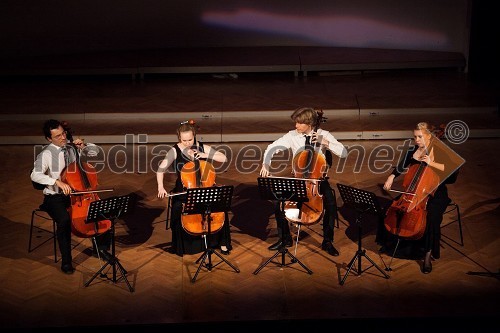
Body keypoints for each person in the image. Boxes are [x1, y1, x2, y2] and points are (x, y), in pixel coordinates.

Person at [260, 107, 348, 256]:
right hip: (298, 179)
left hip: (317, 180)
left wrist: (326, 143)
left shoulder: (324, 134)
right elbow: (272, 147)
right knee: (279, 203)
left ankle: (327, 241)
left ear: (310, 123)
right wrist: (266, 163)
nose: (296, 126)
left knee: (331, 205)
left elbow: (343, 152)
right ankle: (285, 238)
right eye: (296, 122)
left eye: (300, 123)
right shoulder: (292, 135)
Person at [30, 119, 111, 274]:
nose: (63, 138)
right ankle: (66, 261)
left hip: (79, 195)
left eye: (64, 133)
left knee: (100, 211)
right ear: (49, 139)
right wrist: (56, 181)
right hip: (55, 197)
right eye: (58, 136)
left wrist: (84, 147)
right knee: (64, 221)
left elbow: (97, 153)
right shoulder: (46, 154)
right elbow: (35, 175)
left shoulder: (72, 147)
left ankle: (100, 249)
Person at [377, 122, 459, 274]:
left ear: (429, 136)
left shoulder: (440, 151)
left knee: (431, 219)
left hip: (434, 193)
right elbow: (401, 166)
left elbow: (453, 176)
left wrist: (432, 163)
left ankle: (427, 254)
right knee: (390, 209)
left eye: (420, 137)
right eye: (415, 137)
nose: (417, 140)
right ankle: (393, 244)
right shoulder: (413, 150)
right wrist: (391, 176)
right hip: (413, 191)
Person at [157, 120, 232, 257]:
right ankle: (184, 246)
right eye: (184, 140)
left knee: (220, 207)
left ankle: (222, 242)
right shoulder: (175, 150)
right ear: (179, 138)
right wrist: (161, 187)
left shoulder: (202, 147)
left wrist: (206, 155)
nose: (187, 143)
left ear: (194, 135)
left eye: (190, 139)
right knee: (178, 209)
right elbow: (160, 169)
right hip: (185, 191)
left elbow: (224, 158)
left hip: (205, 189)